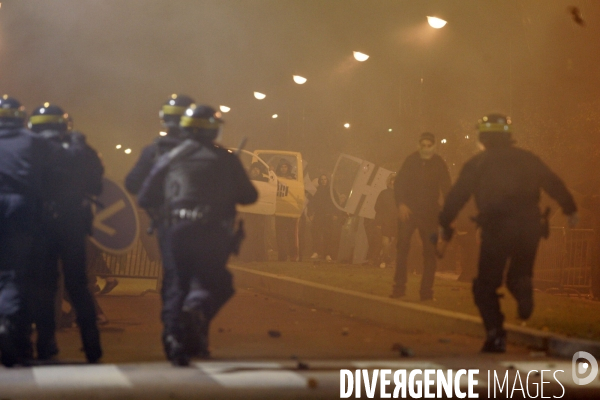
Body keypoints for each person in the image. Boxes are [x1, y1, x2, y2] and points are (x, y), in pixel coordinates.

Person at [438, 114, 578, 353]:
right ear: (507, 135)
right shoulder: (528, 159)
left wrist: (444, 222)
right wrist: (570, 208)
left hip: (496, 229)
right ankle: (522, 287)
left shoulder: (477, 164)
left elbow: (457, 196)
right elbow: (552, 182)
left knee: (485, 285)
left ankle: (496, 334)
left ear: (483, 136)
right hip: (529, 228)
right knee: (520, 273)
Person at [136, 104, 257, 366]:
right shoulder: (226, 159)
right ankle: (195, 312)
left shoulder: (171, 157)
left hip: (177, 232)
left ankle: (173, 337)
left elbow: (145, 195)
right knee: (216, 283)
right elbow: (250, 196)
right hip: (213, 232)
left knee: (177, 285)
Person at [28, 103, 104, 363]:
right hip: (73, 225)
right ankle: (92, 345)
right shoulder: (80, 151)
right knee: (78, 286)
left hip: (42, 226)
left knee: (44, 287)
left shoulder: (31, 150)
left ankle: (46, 344)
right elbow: (97, 185)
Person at [0, 96, 51, 367]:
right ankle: (8, 323)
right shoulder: (33, 140)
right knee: (13, 272)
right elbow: (55, 172)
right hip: (20, 207)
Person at [391, 132, 451, 300]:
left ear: (434, 146)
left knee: (429, 252)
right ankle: (399, 287)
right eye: (423, 145)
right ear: (419, 146)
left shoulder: (439, 163)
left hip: (430, 213)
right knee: (402, 247)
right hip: (409, 211)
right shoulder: (411, 160)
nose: (426, 149)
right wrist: (401, 204)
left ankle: (426, 292)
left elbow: (446, 187)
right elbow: (399, 183)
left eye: (429, 145)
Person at [238, 162, 269, 262]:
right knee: (248, 234)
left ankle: (260, 258)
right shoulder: (246, 180)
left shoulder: (265, 181)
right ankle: (247, 257)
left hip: (260, 214)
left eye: (257, 169)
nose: (255, 171)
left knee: (259, 235)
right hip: (249, 213)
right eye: (254, 169)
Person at [308, 174, 338, 261]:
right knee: (316, 235)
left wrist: (335, 214)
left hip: (328, 216)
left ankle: (327, 254)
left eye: (325, 179)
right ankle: (316, 252)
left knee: (328, 236)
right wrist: (310, 214)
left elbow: (336, 203)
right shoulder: (316, 191)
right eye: (321, 179)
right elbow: (311, 203)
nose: (323, 181)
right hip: (318, 216)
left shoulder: (332, 191)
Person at [275, 159, 299, 261]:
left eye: (285, 167)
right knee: (280, 234)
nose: (283, 169)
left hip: (289, 210)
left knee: (290, 234)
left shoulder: (293, 179)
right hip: (279, 209)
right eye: (281, 167)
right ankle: (282, 255)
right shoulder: (274, 178)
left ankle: (292, 255)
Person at [374, 173, 397, 269]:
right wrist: (379, 221)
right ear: (389, 181)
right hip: (386, 220)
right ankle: (385, 259)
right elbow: (377, 207)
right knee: (385, 240)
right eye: (392, 180)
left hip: (397, 221)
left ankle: (391, 260)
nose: (394, 182)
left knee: (396, 241)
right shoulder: (383, 193)